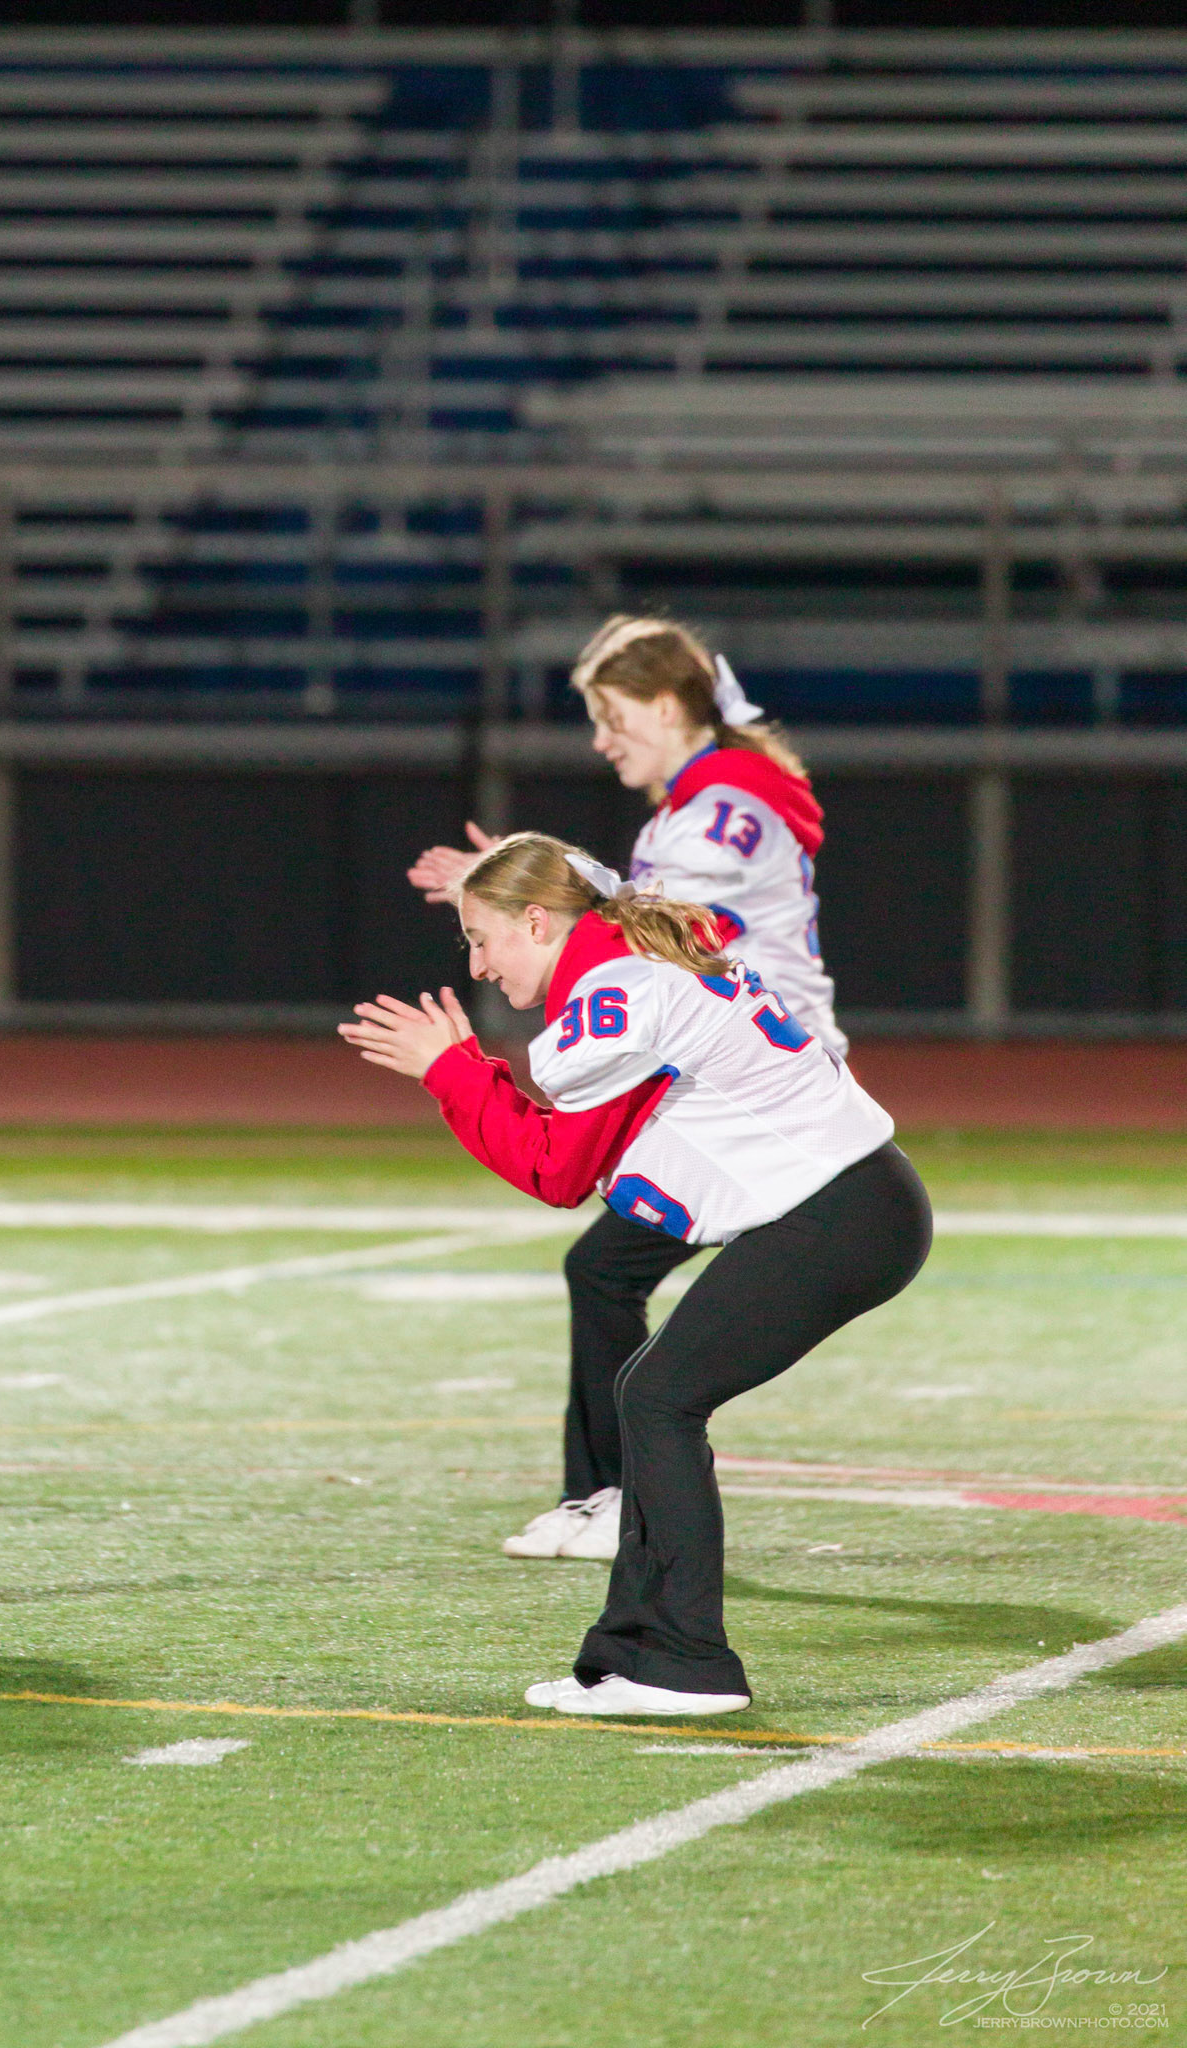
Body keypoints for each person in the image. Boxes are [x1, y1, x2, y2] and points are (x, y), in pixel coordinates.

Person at [342, 832, 929, 1715]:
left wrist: (450, 1072)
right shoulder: (633, 955)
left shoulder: (614, 996)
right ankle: (646, 1655)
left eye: (481, 938)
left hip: (835, 1212)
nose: (478, 964)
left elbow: (555, 1171)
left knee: (658, 1399)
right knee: (650, 1391)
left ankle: (681, 1662)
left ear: (535, 922)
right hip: (853, 1200)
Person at [406, 617, 845, 1564]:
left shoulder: (718, 805)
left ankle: (615, 1499)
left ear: (667, 704)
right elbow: (634, 909)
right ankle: (609, 1496)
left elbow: (674, 925)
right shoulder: (705, 800)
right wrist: (506, 896)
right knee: (604, 1271)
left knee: (606, 1271)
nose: (603, 740)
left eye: (613, 716)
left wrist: (525, 909)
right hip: (727, 1072)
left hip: (737, 1087)